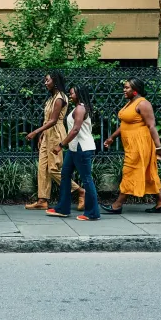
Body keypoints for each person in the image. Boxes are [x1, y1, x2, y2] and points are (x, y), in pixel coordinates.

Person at [101, 78, 161, 214]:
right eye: (124, 87)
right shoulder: (130, 103)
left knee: (129, 171)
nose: (124, 90)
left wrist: (159, 147)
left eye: (127, 88)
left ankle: (117, 205)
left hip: (140, 145)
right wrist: (112, 137)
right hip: (131, 145)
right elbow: (125, 124)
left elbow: (151, 126)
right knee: (148, 173)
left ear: (135, 89)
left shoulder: (143, 104)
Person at [25, 71, 85, 211]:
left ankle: (80, 191)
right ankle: (42, 200)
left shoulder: (60, 97)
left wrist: (35, 132)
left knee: (53, 168)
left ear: (55, 81)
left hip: (56, 134)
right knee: (42, 168)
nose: (45, 83)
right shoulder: (51, 98)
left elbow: (53, 120)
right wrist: (42, 134)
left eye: (47, 80)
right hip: (48, 133)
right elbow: (48, 120)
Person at [47, 85, 101, 221]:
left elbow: (76, 129)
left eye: (72, 94)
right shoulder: (78, 108)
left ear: (79, 94)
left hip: (82, 148)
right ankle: (63, 208)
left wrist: (61, 145)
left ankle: (93, 213)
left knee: (87, 179)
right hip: (74, 148)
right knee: (65, 175)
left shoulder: (80, 108)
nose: (70, 96)